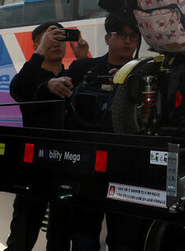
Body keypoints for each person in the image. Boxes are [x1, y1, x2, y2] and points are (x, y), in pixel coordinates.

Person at [68, 16, 149, 251]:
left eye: (133, 37)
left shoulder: (146, 75)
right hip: (88, 167)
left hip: (128, 169)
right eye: (121, 35)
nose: (127, 41)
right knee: (84, 235)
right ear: (107, 38)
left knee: (125, 239)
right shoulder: (83, 69)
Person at [6, 21, 89, 251]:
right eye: (50, 38)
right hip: (33, 171)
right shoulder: (29, 76)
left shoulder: (71, 75)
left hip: (67, 167)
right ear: (37, 44)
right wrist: (40, 53)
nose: (56, 43)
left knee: (60, 240)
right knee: (21, 240)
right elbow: (19, 89)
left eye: (61, 38)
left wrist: (81, 57)